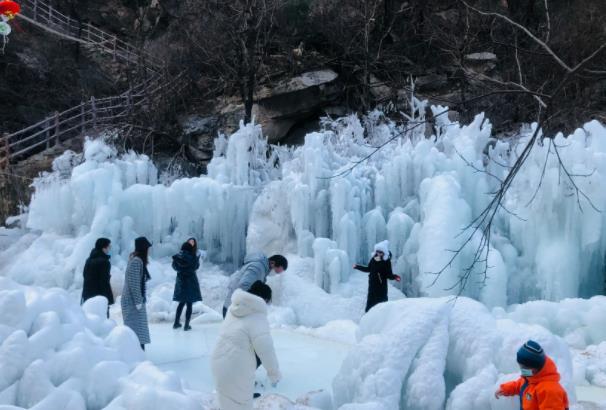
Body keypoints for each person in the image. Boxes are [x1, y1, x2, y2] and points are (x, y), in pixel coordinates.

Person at [212, 281, 281, 410]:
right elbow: (266, 349)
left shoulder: (235, 307)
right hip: (237, 367)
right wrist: (274, 374)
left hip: (218, 361)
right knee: (241, 405)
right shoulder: (257, 316)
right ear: (264, 299)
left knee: (226, 403)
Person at [495, 340, 569, 409]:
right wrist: (506, 389)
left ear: (535, 367)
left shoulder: (550, 390)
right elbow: (520, 385)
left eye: (524, 367)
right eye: (521, 366)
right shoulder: (531, 377)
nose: (522, 370)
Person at [223, 253, 288, 318]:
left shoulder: (261, 269)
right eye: (276, 271)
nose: (275, 274)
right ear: (272, 263)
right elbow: (244, 286)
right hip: (233, 309)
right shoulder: (257, 268)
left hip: (235, 308)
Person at [121, 236, 152, 350]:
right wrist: (139, 302)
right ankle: (137, 356)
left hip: (134, 301)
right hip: (132, 302)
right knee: (135, 332)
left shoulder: (138, 261)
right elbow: (134, 283)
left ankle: (138, 354)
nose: (149, 251)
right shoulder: (136, 261)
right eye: (148, 248)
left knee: (138, 331)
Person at [353, 240, 401, 313]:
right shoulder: (373, 259)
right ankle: (367, 316)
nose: (378, 253)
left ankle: (382, 318)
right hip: (372, 284)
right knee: (370, 301)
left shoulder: (387, 261)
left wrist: (395, 277)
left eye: (381, 252)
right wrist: (357, 266)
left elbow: (389, 274)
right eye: (377, 251)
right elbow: (368, 269)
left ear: (384, 252)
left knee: (381, 302)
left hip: (381, 286)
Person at [172, 238, 202, 331]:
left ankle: (176, 323)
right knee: (189, 304)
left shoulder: (177, 257)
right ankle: (186, 325)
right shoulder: (193, 258)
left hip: (181, 282)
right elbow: (196, 267)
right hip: (190, 283)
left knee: (181, 303)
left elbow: (174, 267)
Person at [81, 237, 114, 318]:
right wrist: (109, 299)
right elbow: (104, 282)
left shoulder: (89, 259)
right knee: (102, 320)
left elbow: (84, 275)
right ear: (103, 248)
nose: (109, 249)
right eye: (109, 247)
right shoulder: (104, 262)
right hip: (99, 297)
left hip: (87, 295)